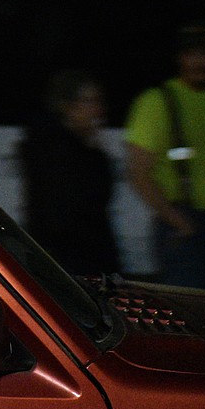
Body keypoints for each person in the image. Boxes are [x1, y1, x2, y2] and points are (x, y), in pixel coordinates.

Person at [124, 21, 205, 290]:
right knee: (188, 315)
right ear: (180, 57)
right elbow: (138, 172)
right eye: (194, 54)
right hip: (184, 228)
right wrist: (179, 222)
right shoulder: (156, 102)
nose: (201, 62)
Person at [19, 69, 121, 277]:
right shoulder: (57, 153)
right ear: (67, 106)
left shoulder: (81, 150)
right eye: (91, 102)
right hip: (71, 267)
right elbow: (68, 215)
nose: (99, 111)